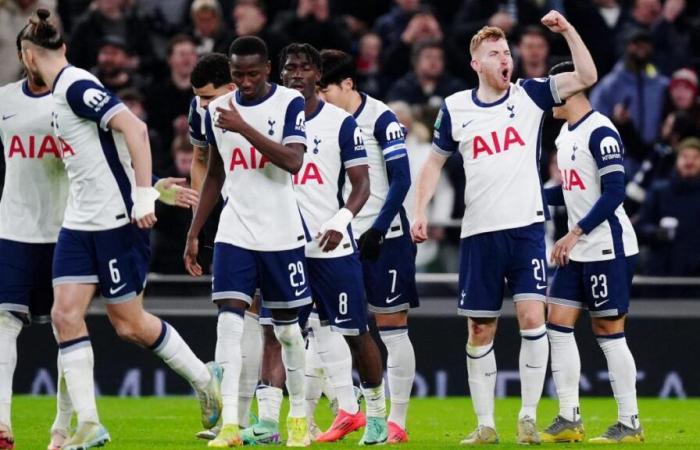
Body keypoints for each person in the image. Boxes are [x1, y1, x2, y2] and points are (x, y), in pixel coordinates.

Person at [18, 10, 222, 450]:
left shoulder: (76, 86)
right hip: (78, 222)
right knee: (63, 316)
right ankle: (87, 425)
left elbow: (135, 127)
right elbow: (102, 153)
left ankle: (206, 379)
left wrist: (145, 194)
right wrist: (152, 185)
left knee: (128, 325)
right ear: (63, 47)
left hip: (115, 222)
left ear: (27, 56)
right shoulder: (61, 91)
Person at [411, 10, 598, 445]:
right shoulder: (455, 108)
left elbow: (586, 74)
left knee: (534, 318)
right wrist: (420, 210)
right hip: (478, 233)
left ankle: (528, 417)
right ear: (476, 63)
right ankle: (486, 424)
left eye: (506, 52)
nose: (504, 58)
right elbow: (433, 163)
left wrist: (567, 30)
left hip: (526, 229)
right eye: (494, 53)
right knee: (480, 329)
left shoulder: (531, 95)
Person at [250, 42, 386, 446]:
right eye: (289, 68)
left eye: (304, 68)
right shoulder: (269, 119)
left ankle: (376, 416)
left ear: (317, 76)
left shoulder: (340, 123)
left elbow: (362, 183)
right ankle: (269, 423)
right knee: (274, 331)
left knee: (355, 333)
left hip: (331, 249)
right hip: (281, 245)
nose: (295, 75)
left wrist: (342, 220)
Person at [184, 36, 311, 447]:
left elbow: (292, 161)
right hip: (235, 231)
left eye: (252, 74)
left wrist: (244, 126)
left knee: (288, 333)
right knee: (228, 323)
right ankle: (231, 426)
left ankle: (298, 418)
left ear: (268, 69)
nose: (245, 82)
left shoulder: (289, 103)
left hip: (281, 233)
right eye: (237, 75)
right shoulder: (216, 110)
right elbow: (216, 173)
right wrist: (194, 230)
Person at [540, 61, 643, 444]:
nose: (548, 96)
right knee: (558, 323)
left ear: (570, 88)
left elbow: (615, 191)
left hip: (607, 245)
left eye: (553, 87)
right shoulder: (564, 135)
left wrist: (573, 232)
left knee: (608, 331)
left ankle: (630, 422)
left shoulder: (601, 131)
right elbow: (568, 193)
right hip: (578, 247)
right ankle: (569, 417)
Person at [319, 48, 416, 444]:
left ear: (347, 84)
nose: (319, 97)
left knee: (392, 330)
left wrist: (377, 228)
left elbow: (402, 179)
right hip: (340, 238)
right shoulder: (323, 123)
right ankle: (348, 409)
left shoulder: (381, 117)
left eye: (325, 89)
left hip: (385, 237)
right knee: (332, 328)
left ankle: (398, 421)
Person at [636, 137, 700, 276]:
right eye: (684, 156)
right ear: (677, 161)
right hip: (661, 273)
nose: (689, 162)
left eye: (695, 157)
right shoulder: (659, 191)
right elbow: (640, 227)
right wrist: (656, 233)